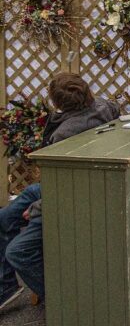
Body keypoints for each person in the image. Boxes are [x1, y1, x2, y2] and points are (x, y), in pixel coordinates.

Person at [0, 73, 119, 309]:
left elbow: (64, 186)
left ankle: (62, 300)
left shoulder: (65, 134)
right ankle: (7, 289)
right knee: (5, 217)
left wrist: (37, 208)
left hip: (71, 197)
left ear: (57, 102)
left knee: (17, 252)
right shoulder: (105, 108)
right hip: (76, 186)